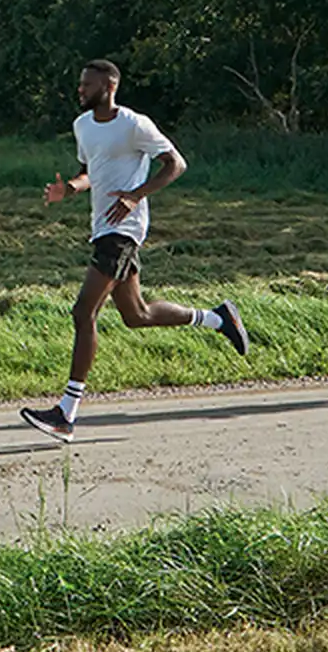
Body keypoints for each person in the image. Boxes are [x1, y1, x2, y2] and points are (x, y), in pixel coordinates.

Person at [19, 60, 247, 442]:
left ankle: (65, 414)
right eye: (80, 84)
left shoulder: (134, 124)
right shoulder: (83, 126)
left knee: (83, 312)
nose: (80, 90)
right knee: (136, 315)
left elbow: (176, 163)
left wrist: (136, 196)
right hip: (102, 228)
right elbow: (90, 170)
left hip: (123, 230)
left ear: (109, 85)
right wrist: (70, 189)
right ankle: (218, 318)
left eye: (87, 85)